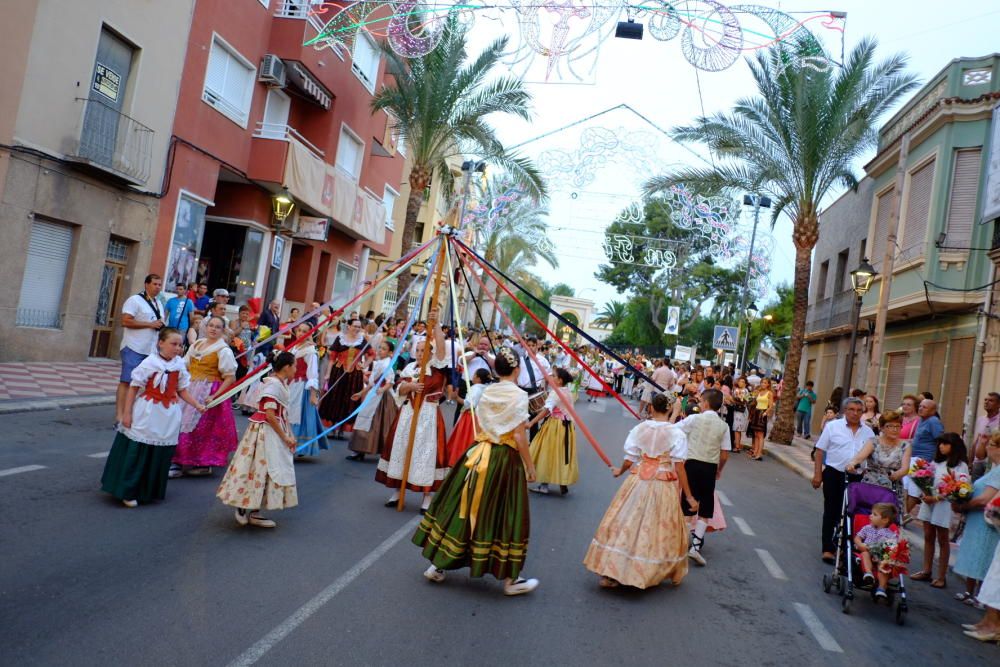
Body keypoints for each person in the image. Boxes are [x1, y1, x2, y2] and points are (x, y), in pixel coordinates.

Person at [412, 346, 540, 596]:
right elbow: (518, 436)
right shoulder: (519, 395)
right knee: (505, 513)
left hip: (478, 452)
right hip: (504, 459)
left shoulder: (488, 391)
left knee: (463, 506)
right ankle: (510, 580)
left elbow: (481, 422)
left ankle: (438, 564)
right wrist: (530, 465)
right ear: (517, 369)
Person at [583, 392, 695, 589]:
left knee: (627, 521)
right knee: (657, 527)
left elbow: (630, 458)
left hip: (638, 481)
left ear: (651, 407)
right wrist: (689, 496)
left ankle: (614, 571)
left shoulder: (639, 429)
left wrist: (620, 471)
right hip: (662, 484)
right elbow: (679, 467)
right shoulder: (676, 433)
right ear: (669, 409)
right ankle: (644, 572)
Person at [101, 328, 204, 507]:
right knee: (138, 448)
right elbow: (133, 387)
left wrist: (196, 404)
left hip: (169, 414)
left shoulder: (179, 365)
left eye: (180, 345)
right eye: (174, 344)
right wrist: (127, 413)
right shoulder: (150, 363)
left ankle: (149, 490)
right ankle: (128, 491)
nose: (178, 348)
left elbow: (182, 390)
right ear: (160, 343)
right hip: (148, 411)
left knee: (158, 451)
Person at [217, 352, 299, 528]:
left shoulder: (279, 384)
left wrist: (289, 434)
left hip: (273, 429)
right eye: (294, 365)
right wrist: (285, 436)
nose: (296, 369)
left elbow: (281, 414)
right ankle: (243, 504)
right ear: (286, 367)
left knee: (266, 469)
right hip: (264, 432)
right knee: (258, 467)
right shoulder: (273, 385)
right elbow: (270, 415)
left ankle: (254, 509)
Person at [376, 313, 449, 512]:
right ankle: (398, 490)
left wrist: (436, 325)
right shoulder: (409, 367)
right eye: (417, 350)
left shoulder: (436, 367)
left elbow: (442, 348)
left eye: (423, 350)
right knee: (402, 449)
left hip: (428, 415)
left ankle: (427, 496)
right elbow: (399, 388)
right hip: (408, 414)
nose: (419, 353)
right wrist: (409, 387)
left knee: (425, 453)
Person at [171, 316, 238, 477]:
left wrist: (216, 395)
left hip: (210, 390)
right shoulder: (197, 344)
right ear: (206, 327)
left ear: (223, 331)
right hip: (190, 388)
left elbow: (230, 377)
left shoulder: (224, 350)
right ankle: (178, 460)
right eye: (211, 326)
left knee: (202, 429)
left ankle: (202, 462)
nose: (213, 329)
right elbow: (184, 365)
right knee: (180, 422)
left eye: (218, 327)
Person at [812, 397, 874, 563]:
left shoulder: (868, 432)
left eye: (859, 410)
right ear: (845, 411)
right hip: (834, 474)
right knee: (832, 511)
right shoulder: (833, 427)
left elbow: (872, 456)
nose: (855, 413)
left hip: (857, 478)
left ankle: (848, 549)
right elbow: (819, 451)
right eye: (851, 409)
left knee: (852, 513)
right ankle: (828, 548)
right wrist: (818, 474)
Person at [675, 388, 730, 566]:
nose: (698, 404)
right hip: (709, 467)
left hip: (691, 464)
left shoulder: (694, 418)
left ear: (705, 403)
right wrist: (719, 470)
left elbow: (675, 431)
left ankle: (680, 544)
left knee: (686, 504)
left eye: (700, 401)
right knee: (706, 507)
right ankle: (695, 547)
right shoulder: (724, 426)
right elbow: (724, 454)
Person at [912, 433, 969, 588]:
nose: (941, 446)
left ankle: (941, 576)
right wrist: (924, 492)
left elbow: (960, 487)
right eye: (940, 444)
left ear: (954, 446)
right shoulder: (937, 462)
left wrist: (937, 498)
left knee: (943, 539)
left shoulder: (960, 466)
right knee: (928, 535)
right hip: (929, 501)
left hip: (944, 505)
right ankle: (926, 570)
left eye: (945, 444)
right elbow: (927, 477)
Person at [953, 433, 1000, 608]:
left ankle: (981, 597)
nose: (987, 448)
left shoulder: (998, 471)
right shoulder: (994, 469)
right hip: (977, 520)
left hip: (984, 522)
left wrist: (963, 506)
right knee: (975, 554)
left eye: (990, 445)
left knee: (983, 555)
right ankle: (971, 592)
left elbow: (985, 499)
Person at [116, 274, 165, 425]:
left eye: (159, 284)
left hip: (151, 351)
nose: (158, 287)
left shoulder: (159, 303)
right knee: (127, 382)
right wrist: (150, 325)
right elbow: (125, 321)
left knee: (147, 384)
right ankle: (119, 417)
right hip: (133, 347)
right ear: (146, 284)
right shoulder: (134, 300)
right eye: (155, 284)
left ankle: (134, 415)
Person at [527, 368, 578, 496]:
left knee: (546, 452)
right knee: (562, 453)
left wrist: (532, 422)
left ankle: (544, 485)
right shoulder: (567, 391)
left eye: (553, 376)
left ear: (559, 381)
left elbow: (546, 410)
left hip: (555, 426)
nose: (551, 377)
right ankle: (562, 481)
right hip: (567, 426)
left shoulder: (555, 393)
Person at [348, 339, 399, 462]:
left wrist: (382, 390)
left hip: (382, 397)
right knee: (364, 418)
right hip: (373, 394)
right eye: (379, 348)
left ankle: (381, 451)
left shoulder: (387, 364)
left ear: (390, 353)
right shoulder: (378, 363)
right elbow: (372, 383)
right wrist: (361, 393)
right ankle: (360, 449)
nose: (380, 350)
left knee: (378, 422)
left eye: (384, 349)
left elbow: (390, 381)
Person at [319, 317, 368, 439]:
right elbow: (332, 357)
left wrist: (364, 365)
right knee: (336, 398)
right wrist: (328, 373)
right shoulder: (340, 339)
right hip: (338, 371)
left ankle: (342, 428)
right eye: (355, 326)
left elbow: (371, 354)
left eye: (359, 326)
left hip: (355, 375)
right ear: (349, 326)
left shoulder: (362, 340)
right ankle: (332, 426)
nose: (357, 328)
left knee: (348, 400)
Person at [846, 410, 911, 503]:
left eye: (898, 426)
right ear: (882, 428)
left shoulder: (905, 445)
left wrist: (895, 475)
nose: (895, 429)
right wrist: (852, 464)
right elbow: (859, 458)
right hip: (871, 485)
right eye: (890, 426)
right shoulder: (873, 441)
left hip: (892, 485)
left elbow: (905, 469)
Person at [287, 322, 325, 457]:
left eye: (304, 331)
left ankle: (299, 446)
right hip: (290, 385)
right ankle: (287, 443)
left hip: (301, 387)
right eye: (299, 330)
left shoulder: (310, 351)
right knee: (289, 413)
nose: (301, 334)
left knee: (299, 416)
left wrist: (313, 395)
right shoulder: (294, 348)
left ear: (310, 333)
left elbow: (313, 374)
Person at [905, 398, 945, 518]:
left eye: (925, 407)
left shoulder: (933, 421)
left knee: (914, 490)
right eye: (920, 406)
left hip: (923, 460)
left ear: (933, 411)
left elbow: (941, 440)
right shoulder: (922, 419)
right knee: (907, 488)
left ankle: (904, 515)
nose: (920, 408)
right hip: (913, 457)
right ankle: (904, 514)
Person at [444, 367, 492, 467]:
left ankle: (460, 458)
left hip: (470, 418)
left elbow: (469, 404)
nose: (472, 377)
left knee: (465, 438)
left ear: (478, 379)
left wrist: (456, 397)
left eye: (474, 375)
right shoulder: (486, 388)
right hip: (480, 417)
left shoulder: (476, 388)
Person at [853, 502, 901, 602]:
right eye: (871, 513)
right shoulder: (867, 528)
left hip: (881, 556)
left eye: (874, 514)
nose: (870, 516)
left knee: (884, 565)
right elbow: (857, 538)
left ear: (885, 519)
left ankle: (882, 588)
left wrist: (886, 554)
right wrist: (860, 544)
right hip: (867, 551)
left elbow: (892, 548)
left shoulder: (890, 534)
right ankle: (869, 573)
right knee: (865, 554)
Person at [517, 335, 551, 440]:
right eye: (528, 345)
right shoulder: (521, 359)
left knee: (533, 419)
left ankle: (533, 443)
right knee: (518, 418)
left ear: (537, 346)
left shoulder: (543, 361)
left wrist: (545, 390)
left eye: (533, 345)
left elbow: (548, 377)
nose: (531, 347)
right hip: (521, 390)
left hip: (534, 391)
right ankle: (517, 441)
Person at [972, 392, 1000, 480]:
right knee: (975, 488)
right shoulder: (981, 419)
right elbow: (976, 440)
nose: (986, 402)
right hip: (978, 461)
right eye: (985, 400)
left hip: (993, 462)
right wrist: (970, 460)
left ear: (998, 404)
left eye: (991, 400)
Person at [747, 377, 775, 461]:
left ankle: (759, 454)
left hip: (762, 413)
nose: (763, 384)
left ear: (768, 384)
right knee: (755, 434)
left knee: (760, 434)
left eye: (765, 383)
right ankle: (755, 452)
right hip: (756, 412)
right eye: (762, 382)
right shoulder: (759, 392)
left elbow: (770, 406)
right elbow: (750, 399)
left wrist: (765, 413)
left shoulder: (769, 393)